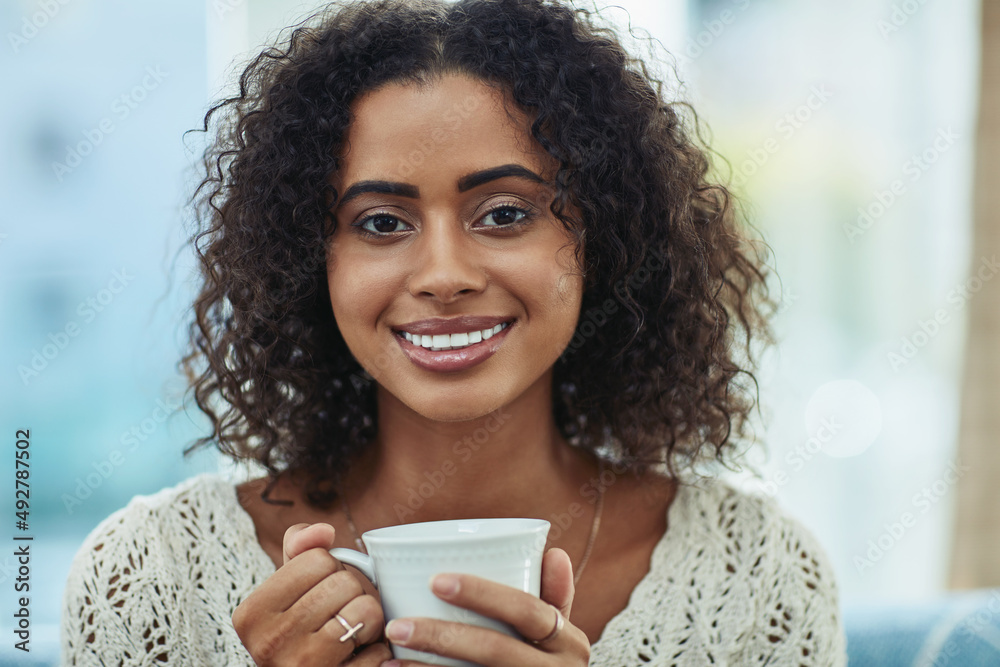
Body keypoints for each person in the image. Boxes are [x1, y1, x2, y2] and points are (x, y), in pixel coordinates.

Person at [61, 0, 848, 664]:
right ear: (311, 260)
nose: (444, 273)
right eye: (380, 221)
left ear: (604, 240)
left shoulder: (761, 578)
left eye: (505, 213)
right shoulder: (149, 574)